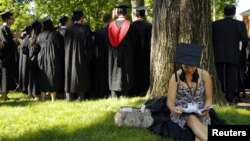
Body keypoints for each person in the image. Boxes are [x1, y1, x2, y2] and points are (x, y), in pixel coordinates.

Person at [167, 43, 212, 141]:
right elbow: (170, 100)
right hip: (182, 113)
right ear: (182, 64)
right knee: (191, 118)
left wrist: (207, 108)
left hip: (200, 111)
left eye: (193, 66)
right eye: (187, 67)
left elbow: (209, 98)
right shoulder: (175, 77)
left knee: (199, 137)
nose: (190, 70)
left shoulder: (205, 75)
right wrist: (173, 108)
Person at [212, 4, 249, 104]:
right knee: (232, 76)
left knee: (219, 75)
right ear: (234, 13)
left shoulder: (215, 24)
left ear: (223, 13)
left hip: (218, 53)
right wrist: (240, 50)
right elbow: (245, 40)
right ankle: (231, 97)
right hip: (233, 54)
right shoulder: (240, 24)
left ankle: (221, 92)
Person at [107, 5, 137, 97]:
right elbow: (134, 41)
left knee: (114, 69)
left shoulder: (111, 25)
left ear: (117, 13)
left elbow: (107, 41)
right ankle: (125, 93)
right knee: (125, 71)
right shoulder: (130, 25)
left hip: (113, 53)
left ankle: (114, 93)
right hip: (126, 53)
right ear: (126, 13)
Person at [64, 8, 93, 101]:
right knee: (81, 74)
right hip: (81, 56)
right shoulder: (85, 29)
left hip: (69, 56)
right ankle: (81, 96)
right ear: (81, 17)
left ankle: (70, 96)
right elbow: (89, 45)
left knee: (69, 73)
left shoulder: (68, 30)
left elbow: (65, 44)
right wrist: (88, 57)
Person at [37, 16, 64, 102]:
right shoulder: (56, 34)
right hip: (53, 57)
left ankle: (43, 97)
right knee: (53, 76)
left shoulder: (40, 35)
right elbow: (61, 47)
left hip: (41, 57)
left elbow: (37, 47)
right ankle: (53, 98)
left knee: (42, 76)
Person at [130, 6, 152, 96]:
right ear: (144, 14)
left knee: (136, 70)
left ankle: (136, 89)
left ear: (136, 14)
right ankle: (145, 88)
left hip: (135, 52)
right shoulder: (148, 25)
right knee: (145, 70)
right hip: (145, 52)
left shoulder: (132, 26)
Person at [93, 13, 112, 98]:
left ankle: (101, 92)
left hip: (99, 55)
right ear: (110, 20)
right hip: (108, 54)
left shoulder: (98, 31)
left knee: (101, 75)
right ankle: (108, 91)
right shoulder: (110, 31)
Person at [0, 10, 17, 100]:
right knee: (4, 75)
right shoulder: (2, 29)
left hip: (8, 57)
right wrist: (15, 39)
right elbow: (5, 43)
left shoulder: (7, 29)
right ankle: (3, 94)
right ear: (6, 19)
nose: (14, 20)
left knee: (6, 75)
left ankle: (5, 94)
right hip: (4, 57)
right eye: (12, 18)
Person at [27, 19, 43, 100]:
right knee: (37, 78)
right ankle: (37, 94)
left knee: (32, 77)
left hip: (31, 60)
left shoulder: (31, 38)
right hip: (37, 60)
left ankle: (33, 94)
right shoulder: (39, 37)